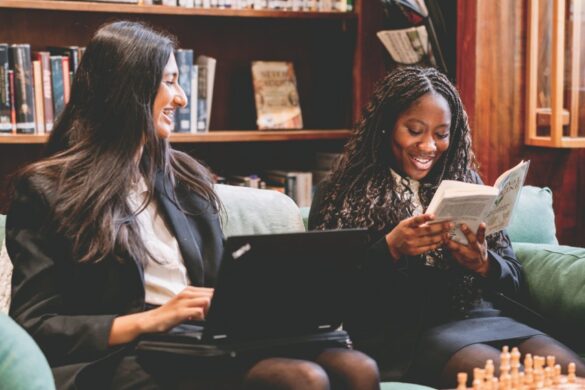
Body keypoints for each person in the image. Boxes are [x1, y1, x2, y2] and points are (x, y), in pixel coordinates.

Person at [6, 21, 379, 390]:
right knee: (301, 379)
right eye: (169, 81)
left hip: (200, 342)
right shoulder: (46, 190)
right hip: (121, 356)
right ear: (129, 87)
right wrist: (151, 320)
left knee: (357, 367)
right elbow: (34, 325)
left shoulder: (184, 178)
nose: (182, 97)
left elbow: (219, 285)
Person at [309, 66, 585, 388]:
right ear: (386, 127)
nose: (428, 146)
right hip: (409, 331)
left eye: (441, 134)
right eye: (414, 130)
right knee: (514, 381)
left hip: (483, 317)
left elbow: (514, 278)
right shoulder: (342, 193)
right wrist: (390, 249)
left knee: (572, 372)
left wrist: (483, 263)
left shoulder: (466, 182)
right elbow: (325, 294)